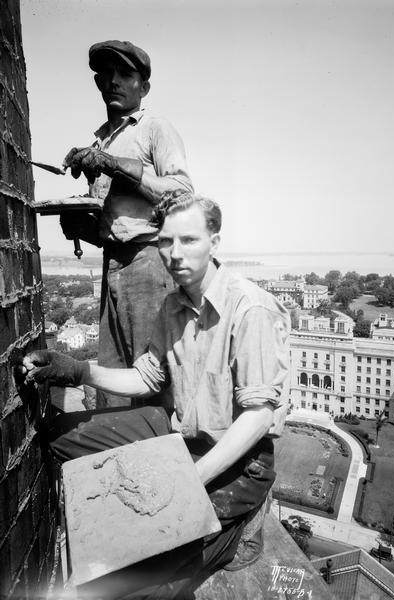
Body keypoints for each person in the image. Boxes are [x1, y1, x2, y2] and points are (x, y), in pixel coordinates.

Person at [23, 194, 290, 599]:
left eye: (189, 240)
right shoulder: (173, 305)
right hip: (178, 433)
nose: (174, 253)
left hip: (240, 459)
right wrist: (79, 371)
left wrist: (186, 482)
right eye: (166, 241)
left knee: (135, 585)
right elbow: (146, 378)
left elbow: (257, 417)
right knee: (61, 438)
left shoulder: (250, 309)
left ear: (214, 243)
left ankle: (239, 532)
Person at [60, 40, 193, 408]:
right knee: (113, 380)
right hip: (114, 263)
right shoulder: (101, 138)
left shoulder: (155, 128)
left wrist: (113, 164)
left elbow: (183, 195)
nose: (114, 81)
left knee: (155, 378)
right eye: (106, 75)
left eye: (125, 74)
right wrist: (78, 224)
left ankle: (171, 457)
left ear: (143, 87)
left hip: (149, 263)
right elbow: (115, 225)